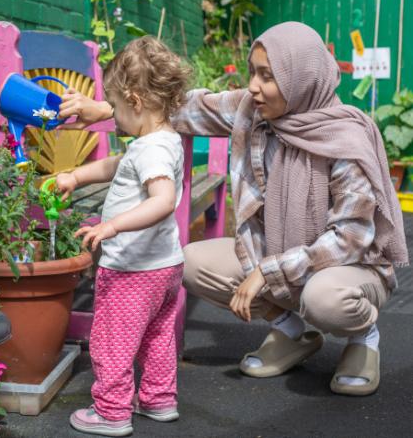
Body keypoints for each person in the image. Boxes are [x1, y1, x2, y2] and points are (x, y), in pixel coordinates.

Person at [59, 21, 408, 398]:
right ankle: (293, 333)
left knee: (324, 298)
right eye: (252, 72)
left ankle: (363, 337)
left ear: (300, 79)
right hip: (280, 257)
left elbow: (351, 238)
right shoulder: (253, 110)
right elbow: (173, 107)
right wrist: (104, 109)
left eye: (267, 76)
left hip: (347, 270)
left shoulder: (345, 140)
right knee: (188, 262)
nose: (254, 85)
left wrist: (266, 270)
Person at [56, 36, 189, 436]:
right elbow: (121, 164)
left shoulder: (150, 151)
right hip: (165, 266)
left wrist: (110, 226)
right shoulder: (162, 139)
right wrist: (77, 175)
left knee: (113, 340)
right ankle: (158, 398)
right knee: (157, 335)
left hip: (132, 269)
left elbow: (163, 200)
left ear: (134, 100)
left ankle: (112, 411)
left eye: (113, 104)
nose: (110, 114)